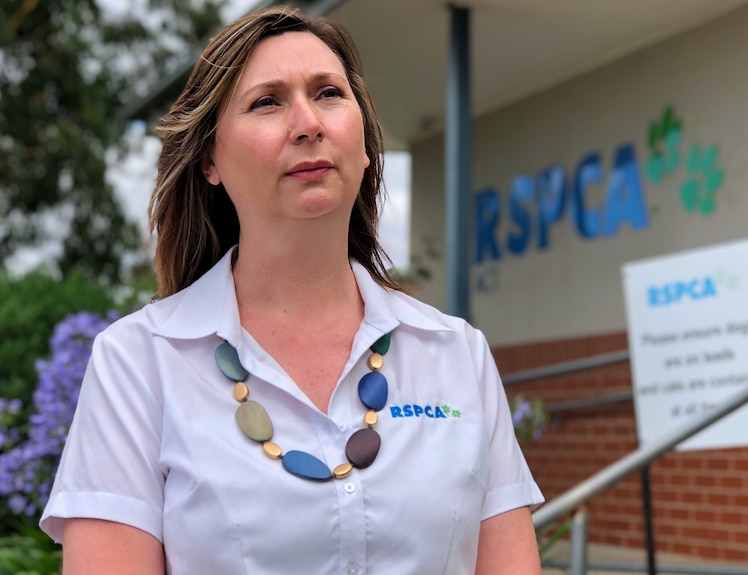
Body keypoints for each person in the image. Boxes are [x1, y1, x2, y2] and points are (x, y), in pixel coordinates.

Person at [40, 6, 544, 574]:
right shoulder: (137, 363)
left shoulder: (457, 354)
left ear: (365, 143)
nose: (308, 123)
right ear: (209, 158)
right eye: (267, 102)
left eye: (328, 93)